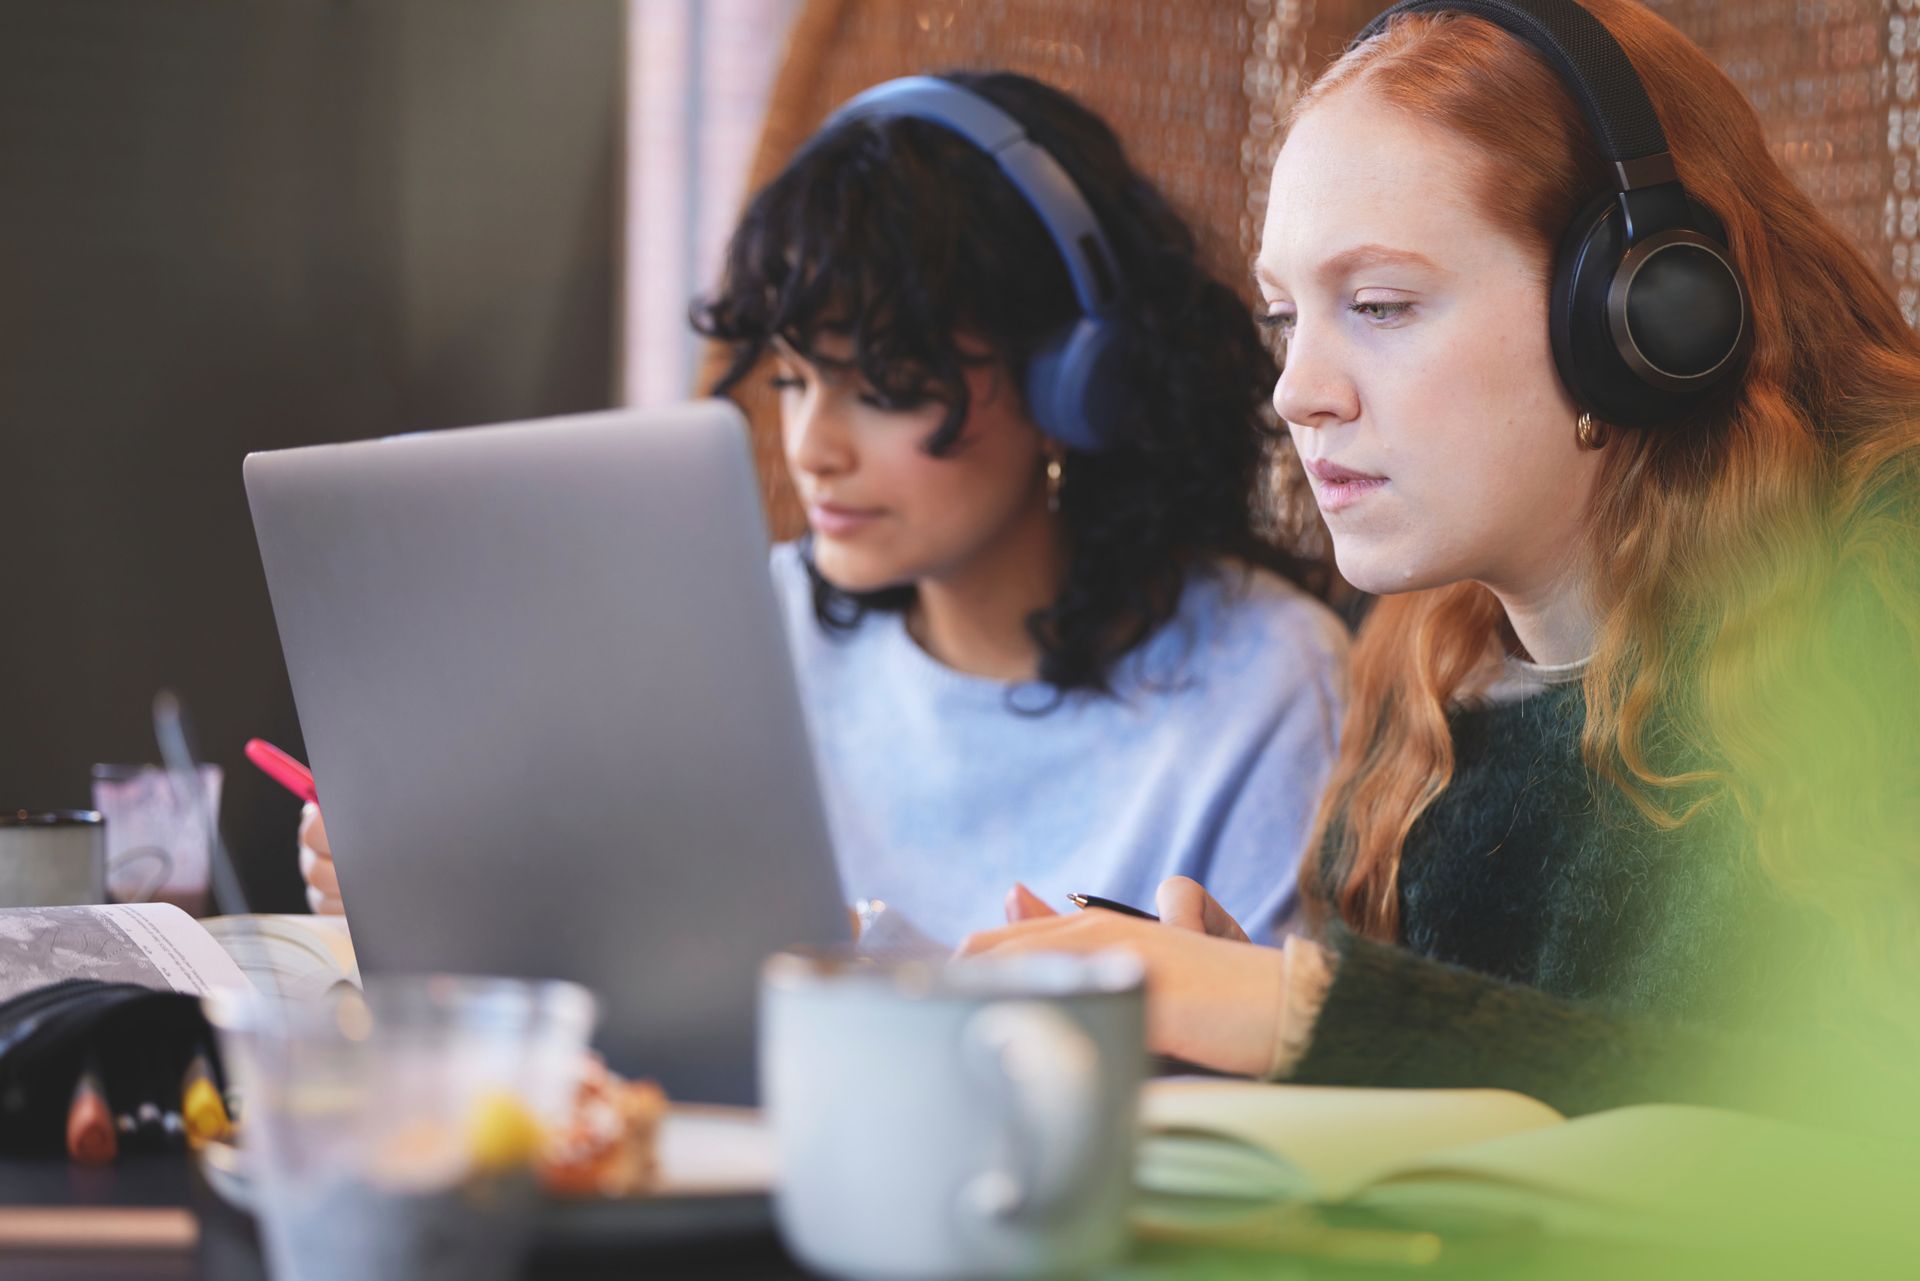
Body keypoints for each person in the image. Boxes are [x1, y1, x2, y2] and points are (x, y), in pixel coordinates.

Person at [964, 0, 1920, 1124]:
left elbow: (1847, 1161)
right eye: (1287, 317)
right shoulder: (1427, 659)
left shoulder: (1881, 607)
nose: (1297, 391)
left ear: (1641, 315)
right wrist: (1259, 1047)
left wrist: (1317, 1018)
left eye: (1379, 305)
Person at [300, 71, 1350, 947]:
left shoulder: (1264, 685)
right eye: (796, 380)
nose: (809, 448)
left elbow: (1284, 1089)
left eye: (883, 386)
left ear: (1076, 383)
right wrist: (435, 902)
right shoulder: (763, 624)